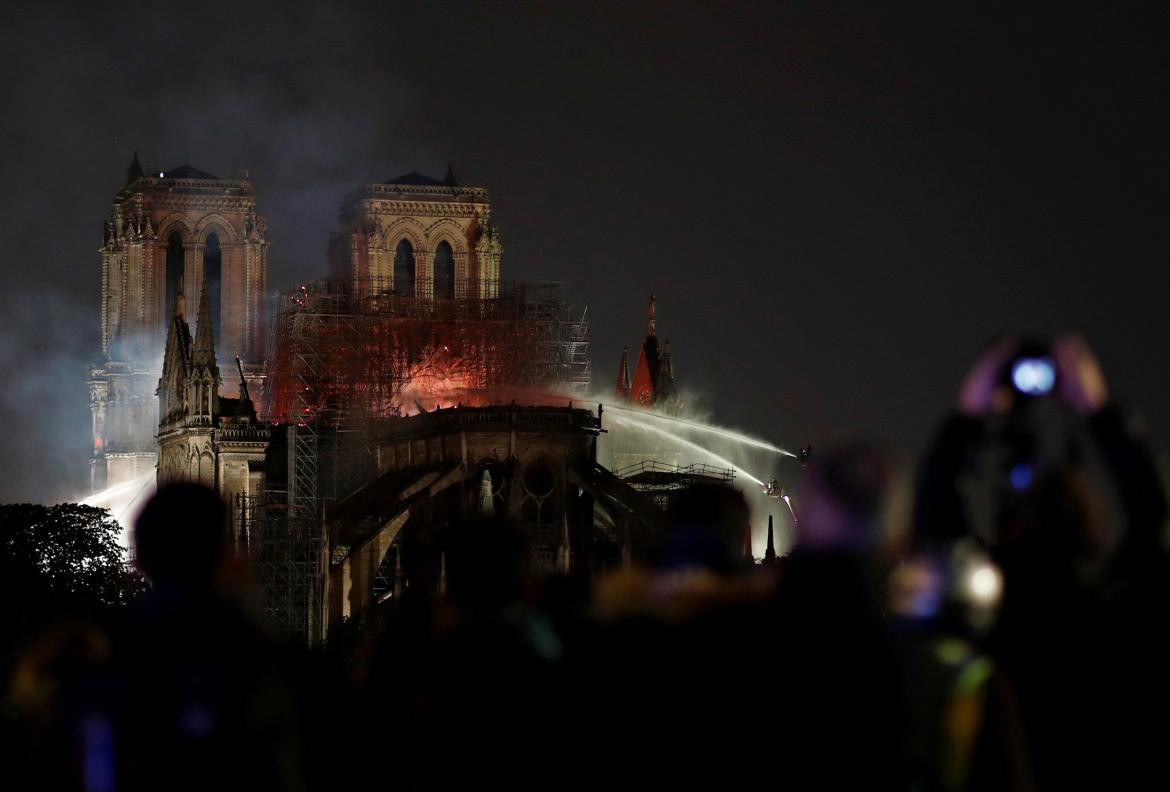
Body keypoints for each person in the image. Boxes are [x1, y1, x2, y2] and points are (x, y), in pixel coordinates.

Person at [913, 335, 1170, 790]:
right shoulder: (1115, 614)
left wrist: (967, 419)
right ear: (1090, 524)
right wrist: (1100, 411)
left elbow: (935, 523)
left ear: (1011, 523)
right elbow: (1151, 519)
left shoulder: (987, 618)